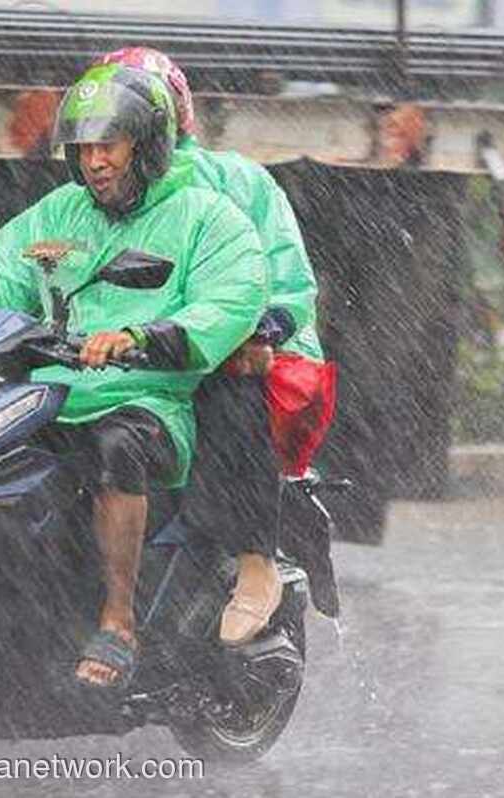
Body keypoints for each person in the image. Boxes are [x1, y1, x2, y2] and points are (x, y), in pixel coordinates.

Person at [0, 63, 268, 687]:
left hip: (148, 402)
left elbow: (231, 299)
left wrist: (138, 338)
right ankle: (13, 606)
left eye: (109, 145)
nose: (95, 162)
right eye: (85, 148)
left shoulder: (207, 217)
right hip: (50, 394)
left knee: (115, 447)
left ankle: (118, 620)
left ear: (147, 145)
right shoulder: (58, 214)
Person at [94, 47, 326, 645]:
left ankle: (256, 561)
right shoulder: (93, 197)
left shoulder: (235, 182)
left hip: (251, 356)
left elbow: (286, 281)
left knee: (228, 382)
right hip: (143, 359)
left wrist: (257, 331)